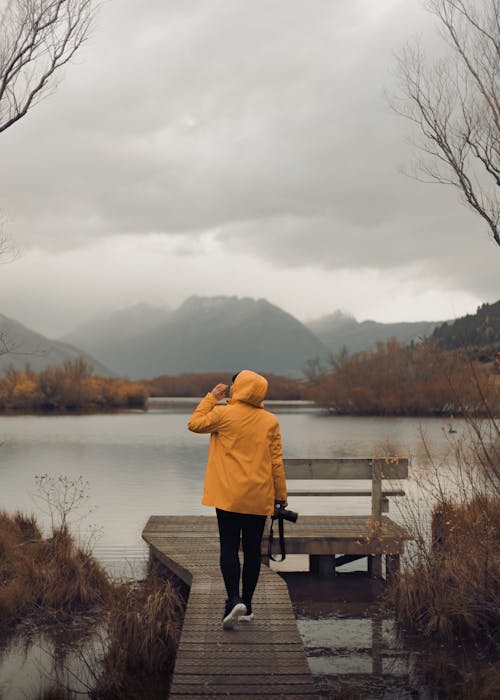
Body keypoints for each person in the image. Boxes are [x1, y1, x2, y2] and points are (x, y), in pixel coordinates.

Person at [187, 369, 288, 629]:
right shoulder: (270, 421)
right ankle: (248, 607)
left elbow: (194, 423)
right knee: (253, 550)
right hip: (259, 496)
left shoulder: (222, 414)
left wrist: (212, 397)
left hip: (229, 496)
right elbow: (276, 462)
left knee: (229, 547)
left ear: (239, 388)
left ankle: (233, 600)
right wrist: (281, 496)